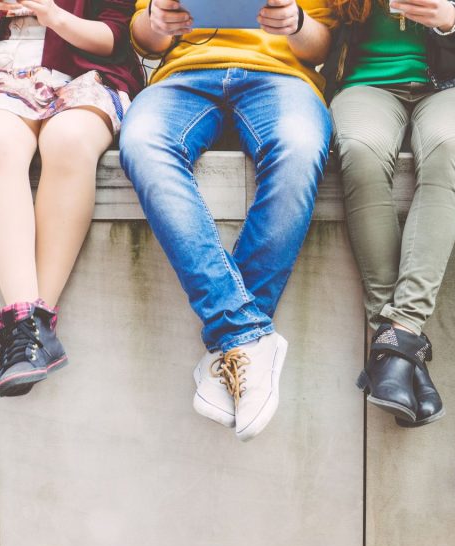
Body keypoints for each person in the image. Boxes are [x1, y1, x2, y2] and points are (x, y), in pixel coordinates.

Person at [120, 0, 335, 441]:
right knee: (141, 142)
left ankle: (231, 344)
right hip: (181, 77)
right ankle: (245, 333)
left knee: (298, 150)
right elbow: (144, 39)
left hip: (284, 77)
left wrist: (294, 23)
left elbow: (321, 47)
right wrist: (157, 22)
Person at [0, 0, 143, 397]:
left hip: (87, 79)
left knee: (69, 140)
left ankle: (27, 331)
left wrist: (51, 14)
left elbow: (116, 36)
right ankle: (28, 330)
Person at [323, 0, 455, 427]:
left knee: (446, 147)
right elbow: (315, 32)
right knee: (361, 152)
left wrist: (452, 19)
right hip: (364, 84)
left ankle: (397, 334)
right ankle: (401, 348)